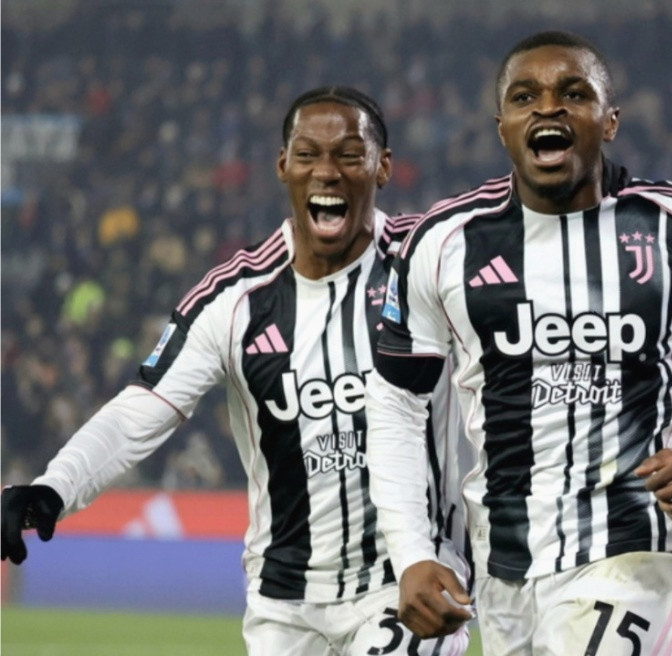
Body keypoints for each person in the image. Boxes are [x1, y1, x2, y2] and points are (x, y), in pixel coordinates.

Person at [363, 30, 672, 654]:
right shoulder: (443, 244)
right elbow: (395, 405)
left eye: (573, 93)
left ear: (610, 120)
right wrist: (411, 552)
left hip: (642, 538)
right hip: (505, 556)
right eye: (525, 97)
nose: (549, 107)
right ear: (502, 128)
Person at [0, 86, 469, 656]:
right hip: (284, 604)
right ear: (283, 166)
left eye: (349, 155)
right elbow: (140, 411)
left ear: (383, 167)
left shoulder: (430, 267)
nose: (327, 172)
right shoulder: (234, 299)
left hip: (406, 582)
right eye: (308, 155)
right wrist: (55, 487)